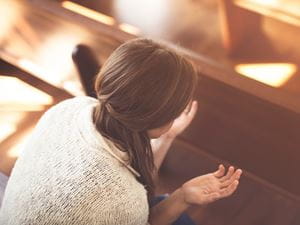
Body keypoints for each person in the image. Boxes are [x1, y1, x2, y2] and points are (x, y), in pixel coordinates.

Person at [0, 38, 242, 225]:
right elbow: (137, 205)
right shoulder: (121, 199)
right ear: (156, 119)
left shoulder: (71, 108)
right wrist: (182, 197)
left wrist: (167, 135)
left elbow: (132, 174)